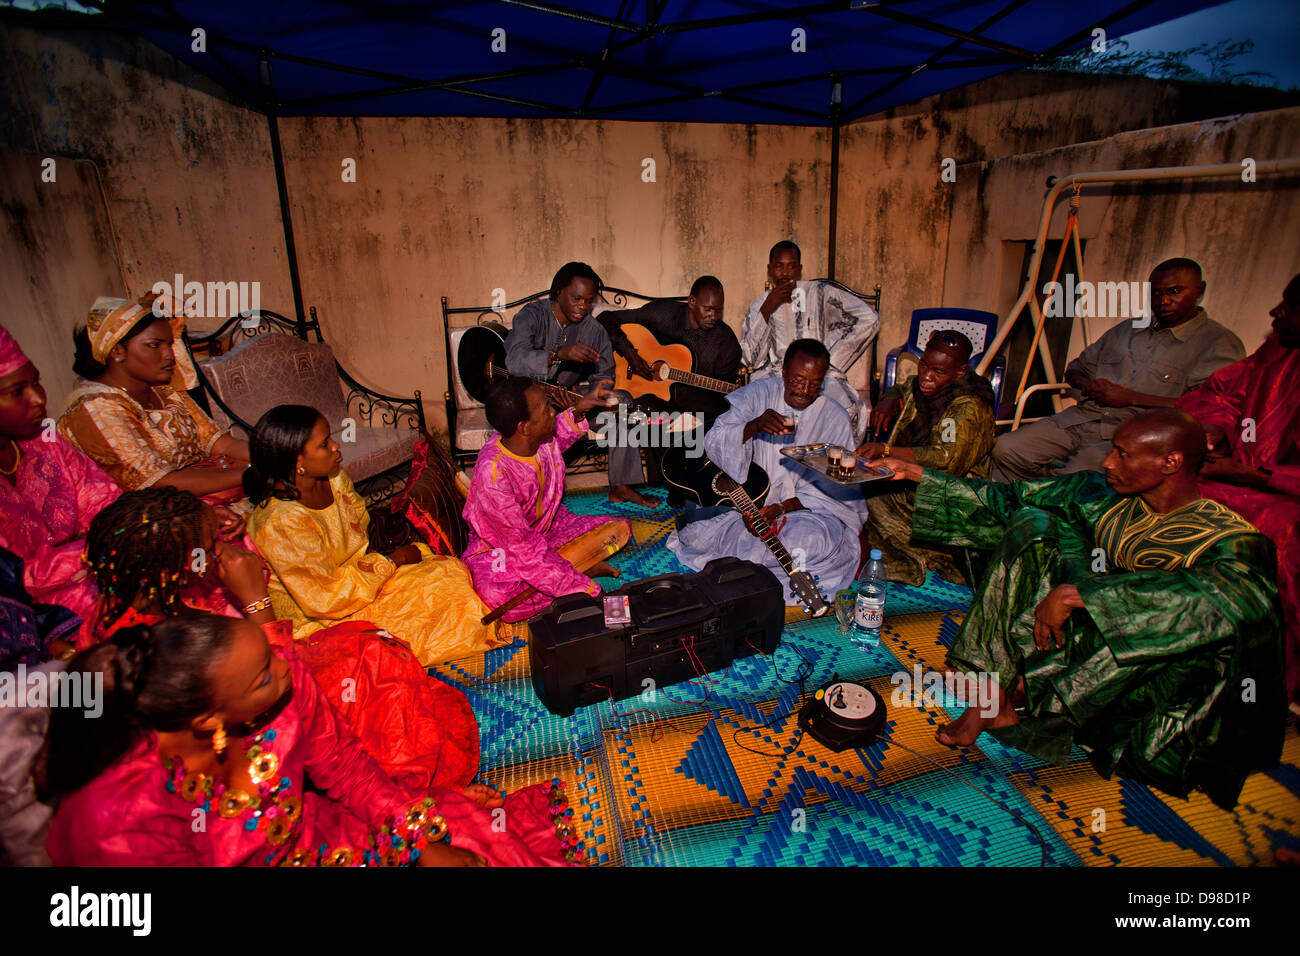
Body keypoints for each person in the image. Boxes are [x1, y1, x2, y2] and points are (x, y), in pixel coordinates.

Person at [867, 409, 1284, 809]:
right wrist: (912, 472)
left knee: (1153, 621)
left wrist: (1079, 596)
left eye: (1122, 453)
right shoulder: (1102, 494)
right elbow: (1013, 497)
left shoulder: (1232, 540)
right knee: (1034, 522)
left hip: (1152, 669)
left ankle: (1037, 697)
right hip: (1082, 634)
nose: (1107, 461)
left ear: (1170, 462)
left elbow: (1231, 604)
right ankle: (995, 693)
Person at [41, 613, 586, 866]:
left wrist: (421, 845)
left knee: (471, 842)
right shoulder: (113, 822)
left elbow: (346, 768)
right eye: (262, 675)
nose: (287, 666)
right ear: (209, 719)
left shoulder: (284, 680)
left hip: (333, 840)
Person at [84, 486, 481, 792]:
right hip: (265, 719)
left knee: (370, 643)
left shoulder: (141, 599)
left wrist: (221, 535)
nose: (222, 550)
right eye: (211, 546)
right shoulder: (156, 651)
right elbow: (273, 685)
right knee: (374, 671)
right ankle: (390, 781)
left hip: (267, 670)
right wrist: (256, 601)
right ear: (178, 567)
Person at [245, 405, 510, 665]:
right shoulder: (281, 523)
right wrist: (391, 562)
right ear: (298, 462)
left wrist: (384, 565)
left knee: (446, 574)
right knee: (417, 618)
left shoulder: (334, 478)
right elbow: (324, 599)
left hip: (358, 582)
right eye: (324, 444)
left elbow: (359, 530)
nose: (337, 447)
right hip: (322, 616)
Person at [992, 258, 1244, 480]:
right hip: (1084, 417)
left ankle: (1056, 501)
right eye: (1156, 293)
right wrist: (1089, 385)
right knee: (1006, 449)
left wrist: (1131, 398)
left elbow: (1210, 409)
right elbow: (1075, 370)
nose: (1164, 300)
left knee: (1077, 478)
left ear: (1200, 290)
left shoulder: (1218, 344)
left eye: (1174, 291)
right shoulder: (1128, 329)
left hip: (1137, 433)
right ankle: (1041, 496)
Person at [1177, 273, 1300, 711]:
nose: (1275, 313)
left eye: (1289, 305)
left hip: (1284, 497)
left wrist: (1257, 477)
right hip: (1237, 472)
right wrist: (1212, 430)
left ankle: (1262, 682)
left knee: (1270, 543)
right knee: (1162, 492)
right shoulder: (1278, 353)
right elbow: (1225, 396)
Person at [666, 339, 868, 606]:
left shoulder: (834, 418)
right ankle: (752, 567)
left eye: (814, 383)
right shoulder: (756, 395)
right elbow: (715, 439)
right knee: (719, 535)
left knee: (812, 541)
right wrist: (753, 426)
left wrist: (782, 508)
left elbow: (836, 490)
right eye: (797, 380)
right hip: (744, 505)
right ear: (783, 371)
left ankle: (751, 573)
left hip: (804, 514)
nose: (805, 391)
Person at [462, 376, 631, 623]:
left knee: (618, 529)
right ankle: (575, 570)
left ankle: (563, 570)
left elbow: (558, 433)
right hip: (503, 547)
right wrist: (587, 588)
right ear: (524, 427)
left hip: (549, 527)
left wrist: (580, 409)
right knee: (499, 598)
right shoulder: (494, 473)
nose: (553, 411)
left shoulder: (537, 439)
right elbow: (522, 548)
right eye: (545, 409)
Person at [58, 293, 250, 506]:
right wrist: (255, 472)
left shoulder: (164, 392)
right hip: (145, 520)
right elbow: (159, 484)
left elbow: (220, 444)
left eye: (169, 344)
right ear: (117, 351)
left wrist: (276, 456)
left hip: (195, 504)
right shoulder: (94, 407)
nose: (170, 355)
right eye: (154, 345)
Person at [0, 324, 121, 652]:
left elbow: (105, 502)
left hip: (97, 566)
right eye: (17, 392)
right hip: (31, 611)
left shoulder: (46, 440)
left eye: (36, 381)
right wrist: (86, 555)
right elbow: (11, 581)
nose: (39, 399)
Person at [506, 262, 659, 507]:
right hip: (531, 399)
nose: (583, 306)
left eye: (589, 300)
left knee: (622, 404)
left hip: (570, 399)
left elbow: (604, 373)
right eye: (577, 298)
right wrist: (559, 354)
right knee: (538, 415)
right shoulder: (531, 316)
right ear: (558, 292)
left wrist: (593, 395)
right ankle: (534, 494)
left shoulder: (594, 330)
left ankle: (620, 486)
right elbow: (514, 361)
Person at [856, 330, 996, 586]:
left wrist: (886, 450)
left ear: (961, 371)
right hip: (915, 480)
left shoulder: (966, 407)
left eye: (938, 372)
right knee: (861, 489)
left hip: (951, 497)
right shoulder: (923, 388)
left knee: (870, 496)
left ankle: (917, 558)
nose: (926, 376)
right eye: (924, 365)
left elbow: (945, 458)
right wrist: (889, 398)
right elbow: (904, 386)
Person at [741, 241, 880, 443]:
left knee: (843, 406)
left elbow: (869, 319)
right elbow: (750, 359)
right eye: (779, 266)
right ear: (770, 269)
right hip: (778, 374)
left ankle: (829, 462)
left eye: (791, 266)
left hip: (819, 376)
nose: (785, 273)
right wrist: (767, 308)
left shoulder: (819, 292)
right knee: (759, 404)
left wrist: (829, 360)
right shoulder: (759, 305)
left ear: (800, 269)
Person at [598, 275, 742, 426]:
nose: (713, 316)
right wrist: (628, 351)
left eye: (718, 311)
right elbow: (606, 318)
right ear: (692, 301)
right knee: (624, 409)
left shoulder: (727, 344)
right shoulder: (662, 314)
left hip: (690, 412)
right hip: (643, 396)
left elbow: (719, 404)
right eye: (708, 309)